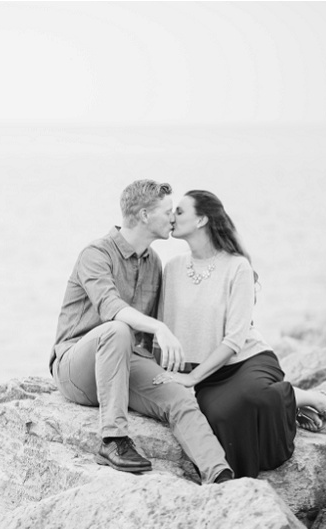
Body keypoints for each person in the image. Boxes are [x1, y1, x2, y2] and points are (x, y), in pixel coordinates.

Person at [154, 189, 326, 478]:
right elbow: (164, 326)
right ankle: (235, 478)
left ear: (202, 220)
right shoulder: (171, 268)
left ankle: (311, 399)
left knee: (250, 398)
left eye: (180, 211)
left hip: (246, 360)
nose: (172, 217)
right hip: (209, 373)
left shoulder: (237, 267)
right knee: (220, 415)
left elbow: (234, 339)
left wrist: (192, 378)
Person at [50, 179, 233, 484]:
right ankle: (113, 440)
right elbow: (111, 308)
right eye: (166, 211)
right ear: (145, 215)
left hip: (126, 365)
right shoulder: (96, 254)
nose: (172, 218)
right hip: (77, 367)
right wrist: (158, 327)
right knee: (118, 330)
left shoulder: (154, 263)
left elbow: (175, 320)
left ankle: (220, 474)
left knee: (180, 398)